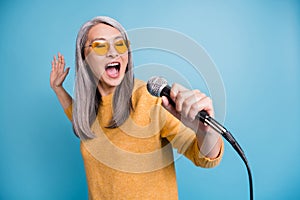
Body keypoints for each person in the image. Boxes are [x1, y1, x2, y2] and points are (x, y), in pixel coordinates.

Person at [50, 16, 224, 200]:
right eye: (100, 46)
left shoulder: (149, 100)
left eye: (120, 45)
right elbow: (77, 116)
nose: (113, 53)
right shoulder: (89, 111)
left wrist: (205, 131)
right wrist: (58, 88)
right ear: (84, 57)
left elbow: (203, 157)